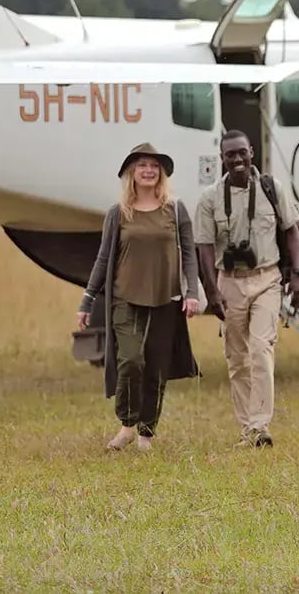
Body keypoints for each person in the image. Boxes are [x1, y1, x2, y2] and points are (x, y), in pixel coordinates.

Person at [76, 142, 202, 452]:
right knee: (130, 360)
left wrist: (192, 293)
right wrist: (87, 300)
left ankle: (147, 433)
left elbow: (189, 253)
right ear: (131, 173)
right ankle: (127, 425)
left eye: (154, 166)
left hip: (165, 299)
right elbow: (104, 259)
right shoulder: (118, 213)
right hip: (125, 298)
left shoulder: (175, 208)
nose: (148, 170)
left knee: (157, 366)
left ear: (161, 173)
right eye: (142, 165)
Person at [194, 130, 299, 449]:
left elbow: (292, 232)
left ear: (252, 152)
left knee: (260, 348)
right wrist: (211, 291)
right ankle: (248, 428)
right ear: (222, 159)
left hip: (267, 278)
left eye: (242, 152)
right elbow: (203, 247)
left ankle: (260, 425)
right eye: (230, 155)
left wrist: (297, 276)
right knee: (237, 358)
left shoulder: (272, 189)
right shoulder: (210, 198)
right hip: (228, 281)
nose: (238, 159)